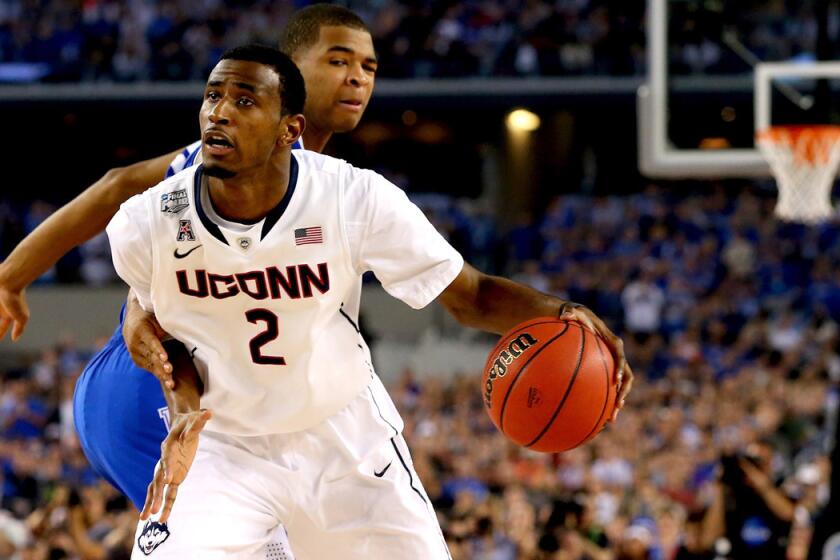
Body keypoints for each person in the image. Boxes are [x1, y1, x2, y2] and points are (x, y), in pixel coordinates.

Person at [107, 43, 632, 558]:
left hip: (344, 440)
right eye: (212, 96)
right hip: (225, 446)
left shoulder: (353, 197)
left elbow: (470, 295)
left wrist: (561, 313)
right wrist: (182, 413)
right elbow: (164, 332)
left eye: (244, 101)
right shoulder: (144, 225)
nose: (218, 112)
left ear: (291, 129)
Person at [0, 4, 377, 514]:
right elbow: (121, 190)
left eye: (368, 67)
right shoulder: (237, 155)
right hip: (147, 393)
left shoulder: (309, 174)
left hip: (177, 396)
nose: (356, 77)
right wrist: (11, 276)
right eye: (338, 61)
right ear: (287, 69)